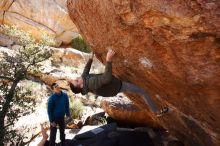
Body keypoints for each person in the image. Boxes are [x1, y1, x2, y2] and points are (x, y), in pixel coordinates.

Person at [68, 50, 168, 117]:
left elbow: (85, 72)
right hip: (118, 86)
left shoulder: (83, 82)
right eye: (76, 81)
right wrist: (108, 60)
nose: (77, 78)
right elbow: (106, 78)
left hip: (113, 84)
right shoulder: (90, 83)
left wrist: (90, 59)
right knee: (143, 92)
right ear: (81, 86)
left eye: (75, 79)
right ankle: (155, 112)